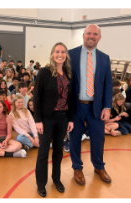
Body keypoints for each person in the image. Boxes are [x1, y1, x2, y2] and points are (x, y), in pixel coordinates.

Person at [69, 24, 113, 186]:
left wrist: (107, 107)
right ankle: (77, 167)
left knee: (98, 139)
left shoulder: (104, 58)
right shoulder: (70, 54)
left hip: (97, 107)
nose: (91, 36)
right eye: (89, 33)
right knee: (74, 138)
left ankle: (99, 166)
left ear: (99, 37)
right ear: (83, 35)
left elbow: (108, 84)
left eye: (95, 34)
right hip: (76, 106)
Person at [34, 42, 74, 197]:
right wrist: (38, 120)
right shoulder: (44, 72)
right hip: (46, 118)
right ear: (52, 54)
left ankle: (56, 179)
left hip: (63, 118)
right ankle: (41, 183)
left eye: (63, 52)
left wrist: (71, 119)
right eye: (57, 51)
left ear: (66, 55)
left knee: (58, 151)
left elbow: (71, 99)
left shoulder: (69, 73)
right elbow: (37, 97)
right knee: (43, 151)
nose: (60, 54)